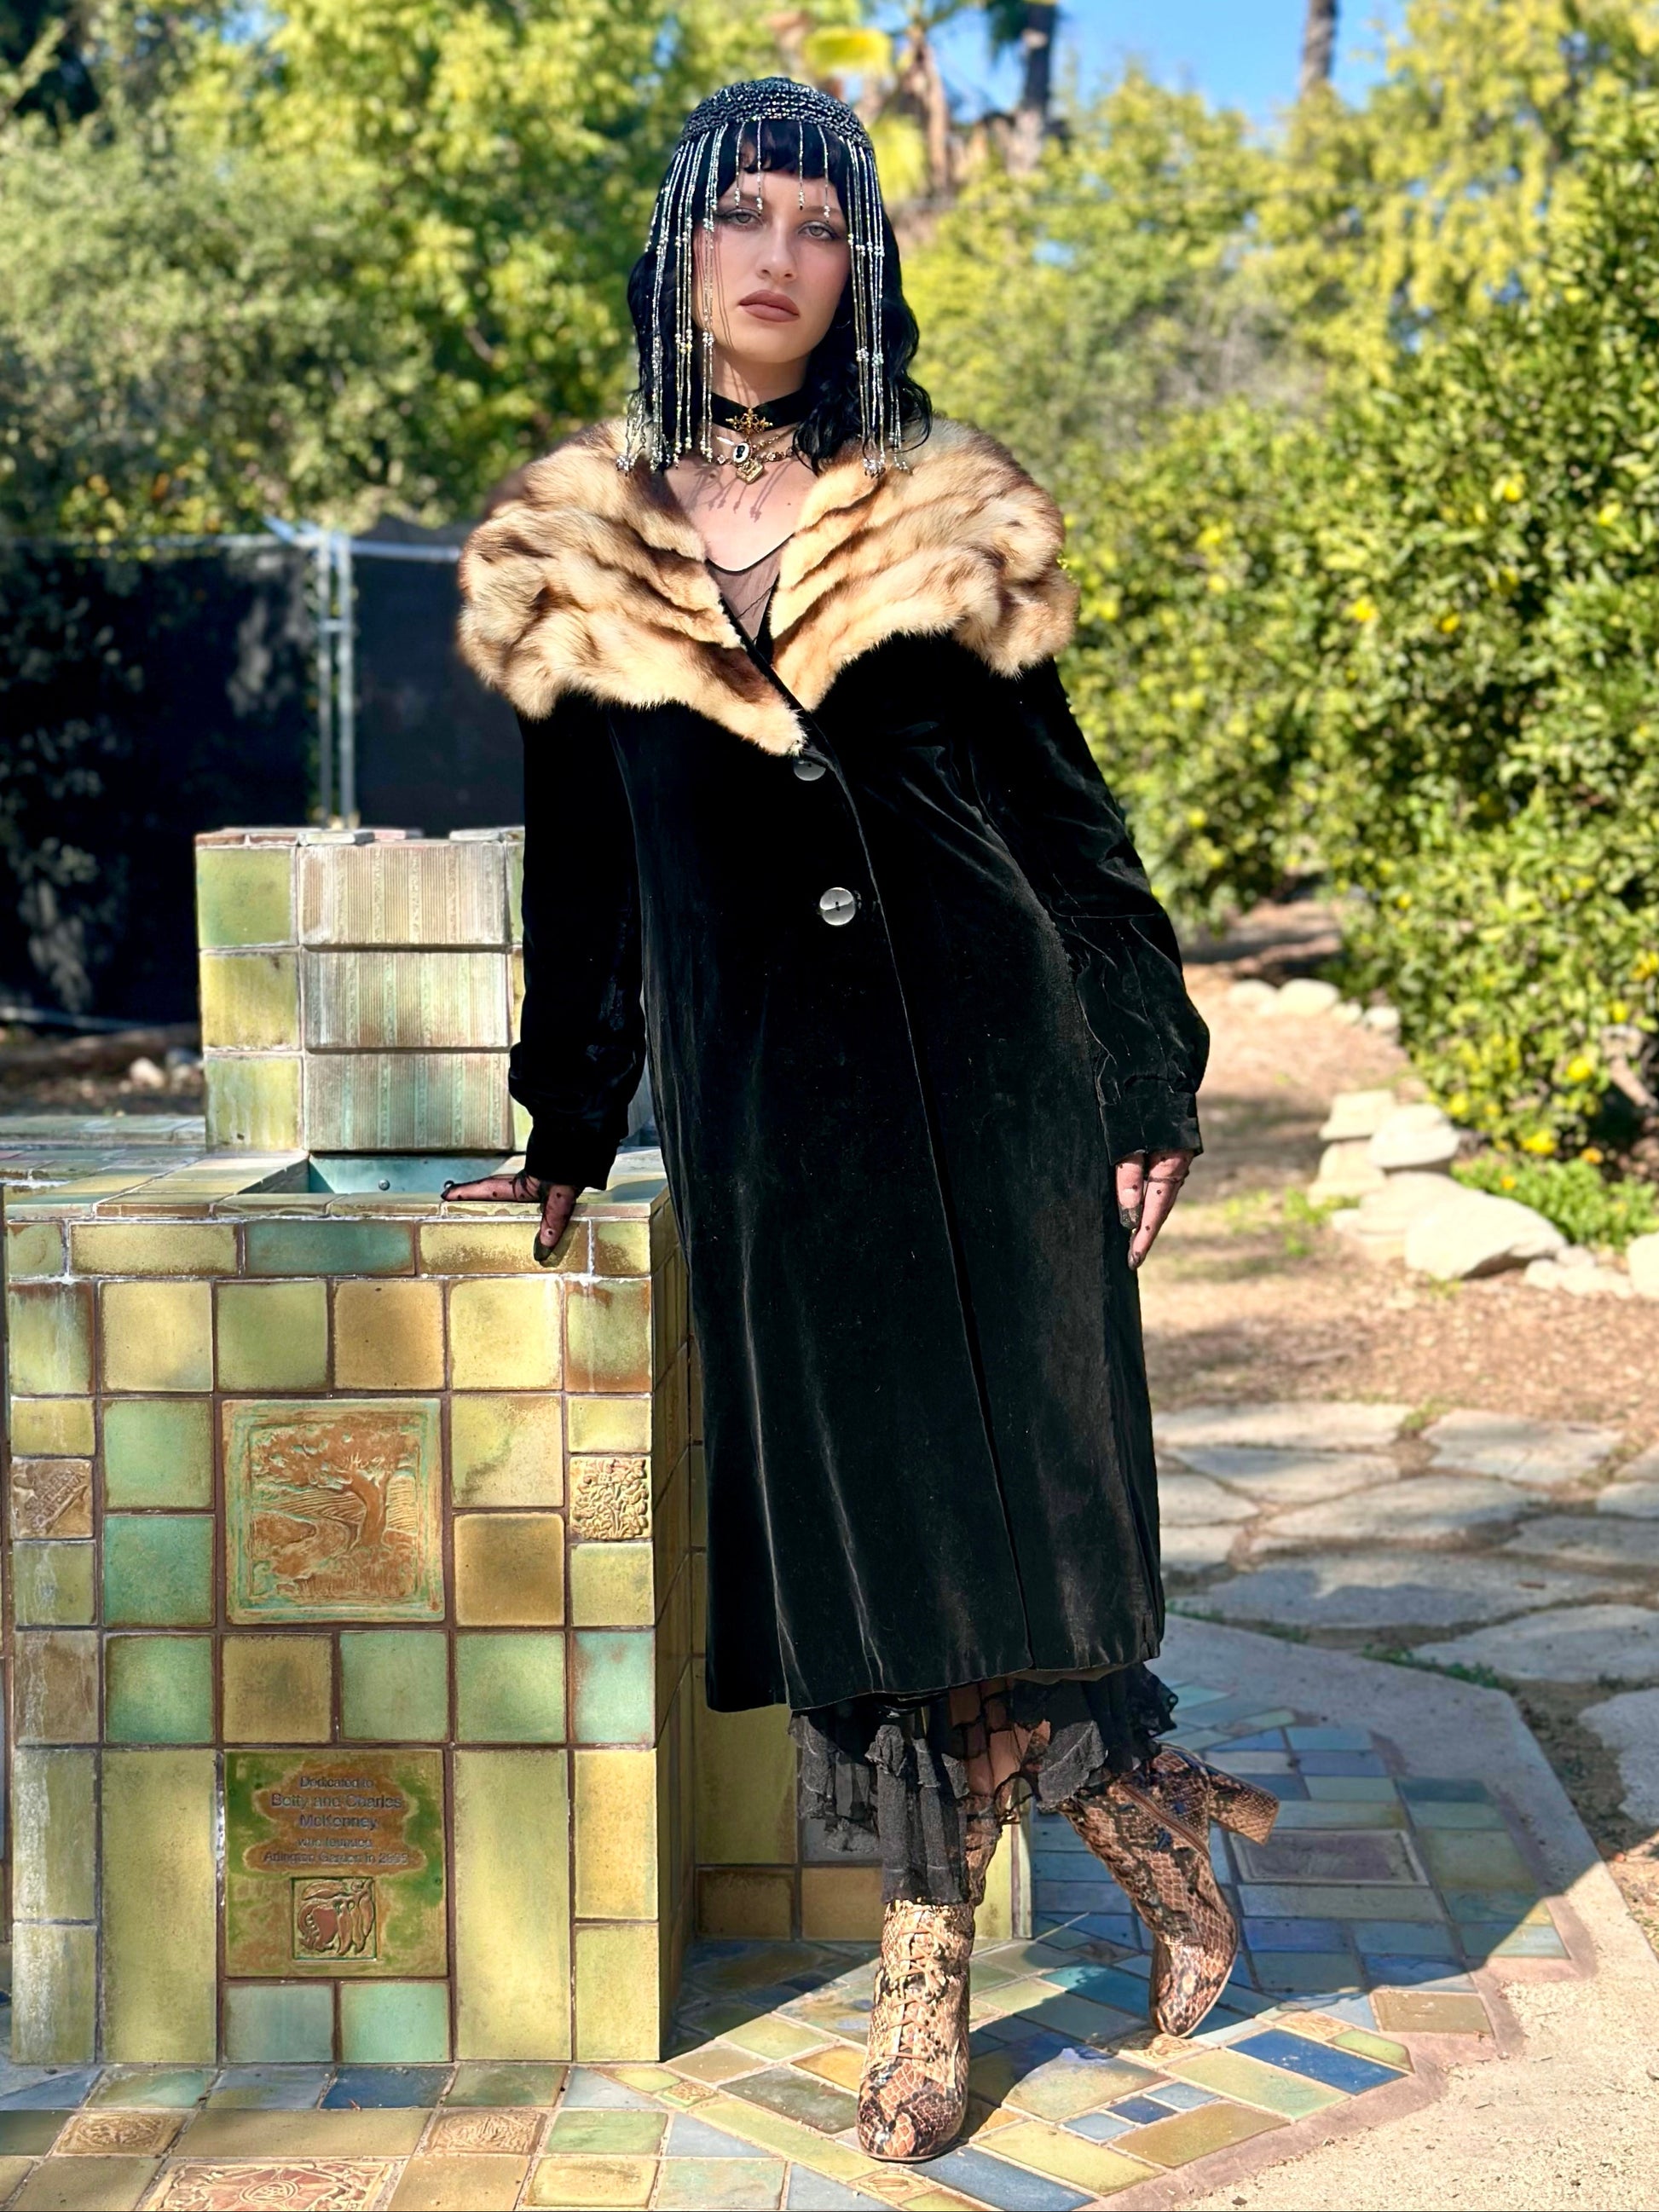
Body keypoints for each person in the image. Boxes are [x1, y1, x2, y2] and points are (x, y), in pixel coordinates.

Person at [449, 77, 1276, 2164]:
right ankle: (1135, 1826)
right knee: (863, 1540)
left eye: (821, 225)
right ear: (681, 246)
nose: (779, 259)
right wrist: (567, 1117)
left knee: (1006, 1519)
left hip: (991, 1069)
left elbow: (1058, 815)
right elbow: (587, 871)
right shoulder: (575, 535)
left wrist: (1144, 1056)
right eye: (745, 217)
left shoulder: (942, 501)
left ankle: (952, 1954)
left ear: (860, 262)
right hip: (777, 1121)